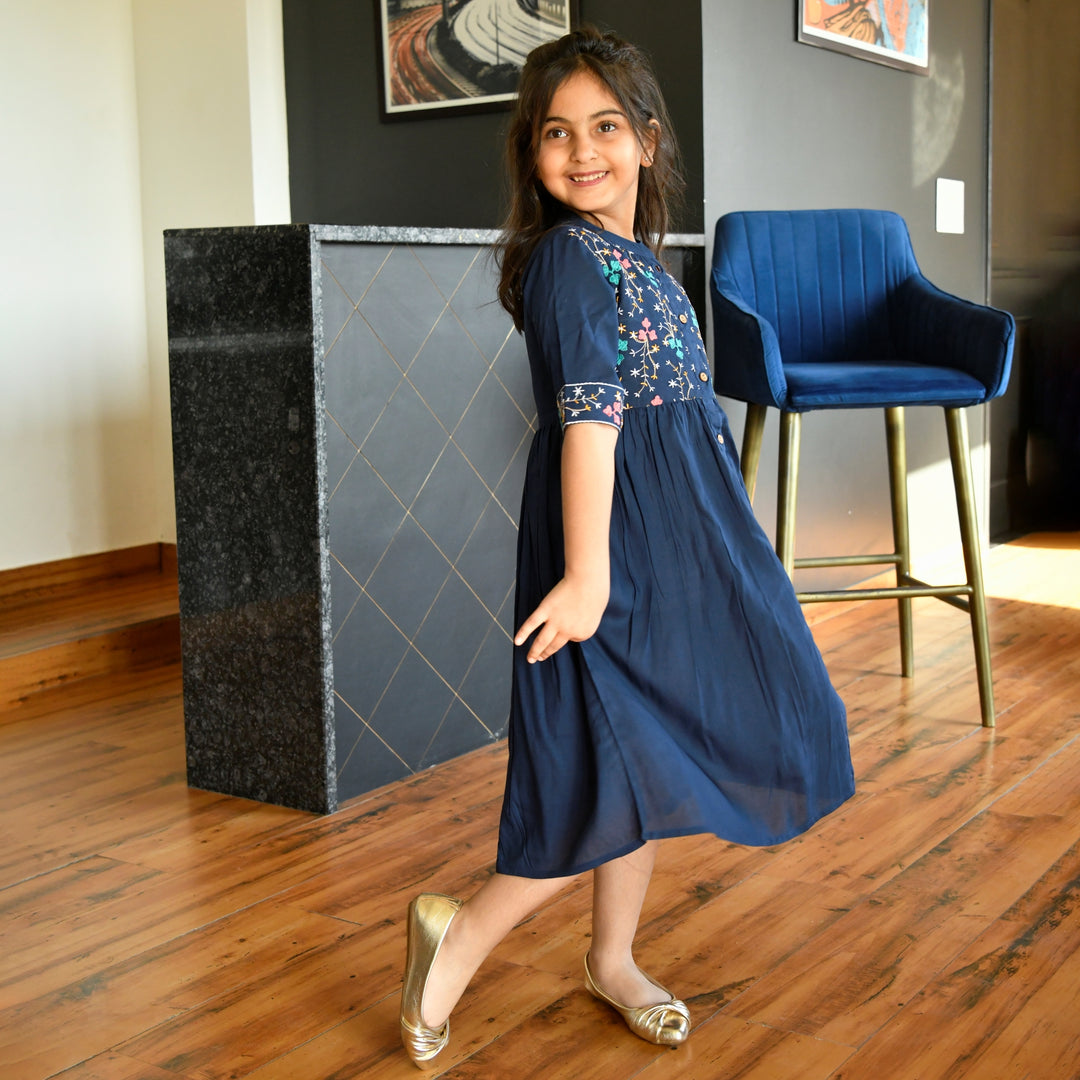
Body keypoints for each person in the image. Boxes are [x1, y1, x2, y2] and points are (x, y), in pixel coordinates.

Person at [399, 27, 855, 1067]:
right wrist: (591, 575)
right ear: (535, 155)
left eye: (605, 125)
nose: (581, 150)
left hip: (676, 544)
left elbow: (674, 420)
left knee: (648, 754)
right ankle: (453, 945)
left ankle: (612, 959)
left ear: (648, 140)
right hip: (608, 555)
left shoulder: (635, 260)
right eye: (556, 133)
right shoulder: (567, 258)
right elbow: (591, 416)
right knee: (598, 780)